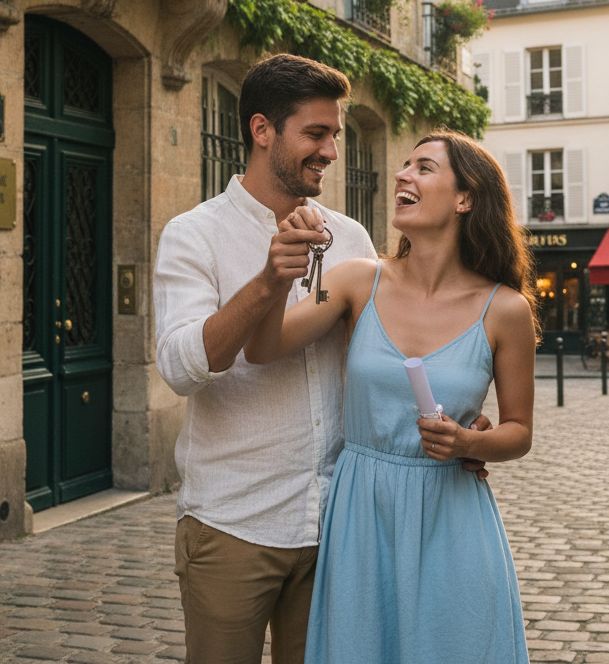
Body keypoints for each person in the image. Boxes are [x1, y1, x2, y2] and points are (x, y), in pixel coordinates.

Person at [153, 55, 491, 664]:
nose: (332, 150)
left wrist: (464, 425)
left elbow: (397, 359)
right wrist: (265, 282)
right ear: (263, 131)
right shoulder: (193, 234)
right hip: (234, 523)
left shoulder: (354, 240)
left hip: (342, 526)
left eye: (335, 134)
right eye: (316, 133)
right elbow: (179, 368)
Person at [245, 130, 537, 664]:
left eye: (423, 168)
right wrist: (274, 274)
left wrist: (467, 440)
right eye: (404, 166)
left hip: (452, 517)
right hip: (362, 512)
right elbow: (265, 348)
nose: (403, 175)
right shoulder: (354, 280)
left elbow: (518, 432)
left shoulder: (506, 309)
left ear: (465, 198)